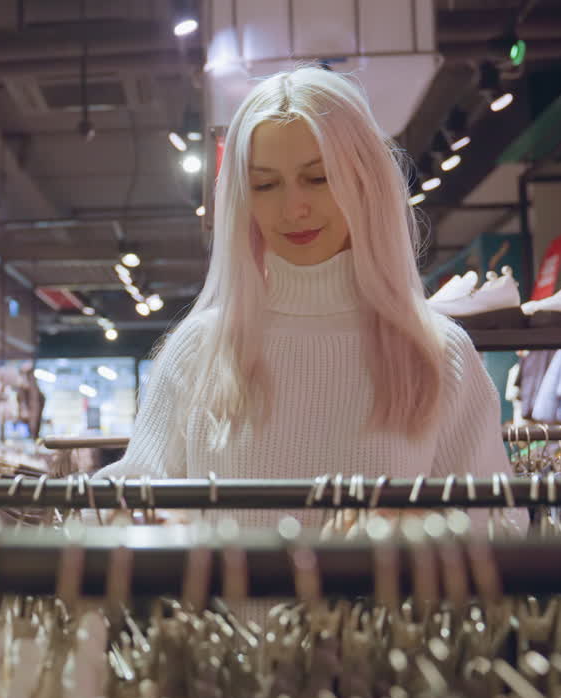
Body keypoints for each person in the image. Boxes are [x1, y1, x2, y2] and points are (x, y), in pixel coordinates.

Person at [97, 66, 522, 533]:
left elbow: (503, 523)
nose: (293, 208)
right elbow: (132, 498)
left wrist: (417, 525)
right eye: (265, 185)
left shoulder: (438, 352)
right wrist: (128, 513)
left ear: (364, 180)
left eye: (318, 178)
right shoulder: (199, 351)